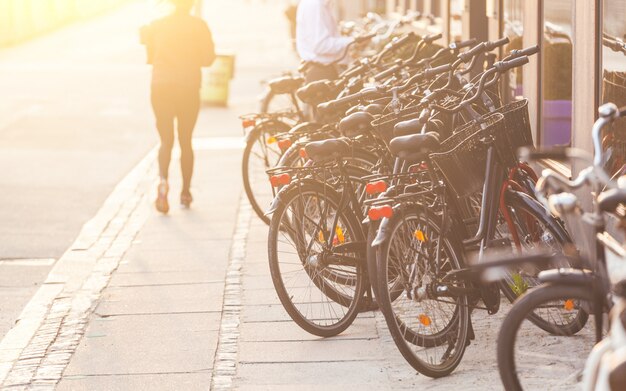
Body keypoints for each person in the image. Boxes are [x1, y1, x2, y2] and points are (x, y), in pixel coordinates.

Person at [140, 0, 215, 214]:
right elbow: (208, 59)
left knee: (165, 141)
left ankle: (163, 182)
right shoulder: (199, 25)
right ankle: (185, 192)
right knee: (185, 140)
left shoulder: (158, 24)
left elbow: (150, 57)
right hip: (188, 86)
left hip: (161, 86)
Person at [295, 0, 354, 83]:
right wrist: (352, 41)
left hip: (325, 69)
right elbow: (320, 45)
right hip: (321, 73)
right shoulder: (314, 5)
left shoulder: (323, 4)